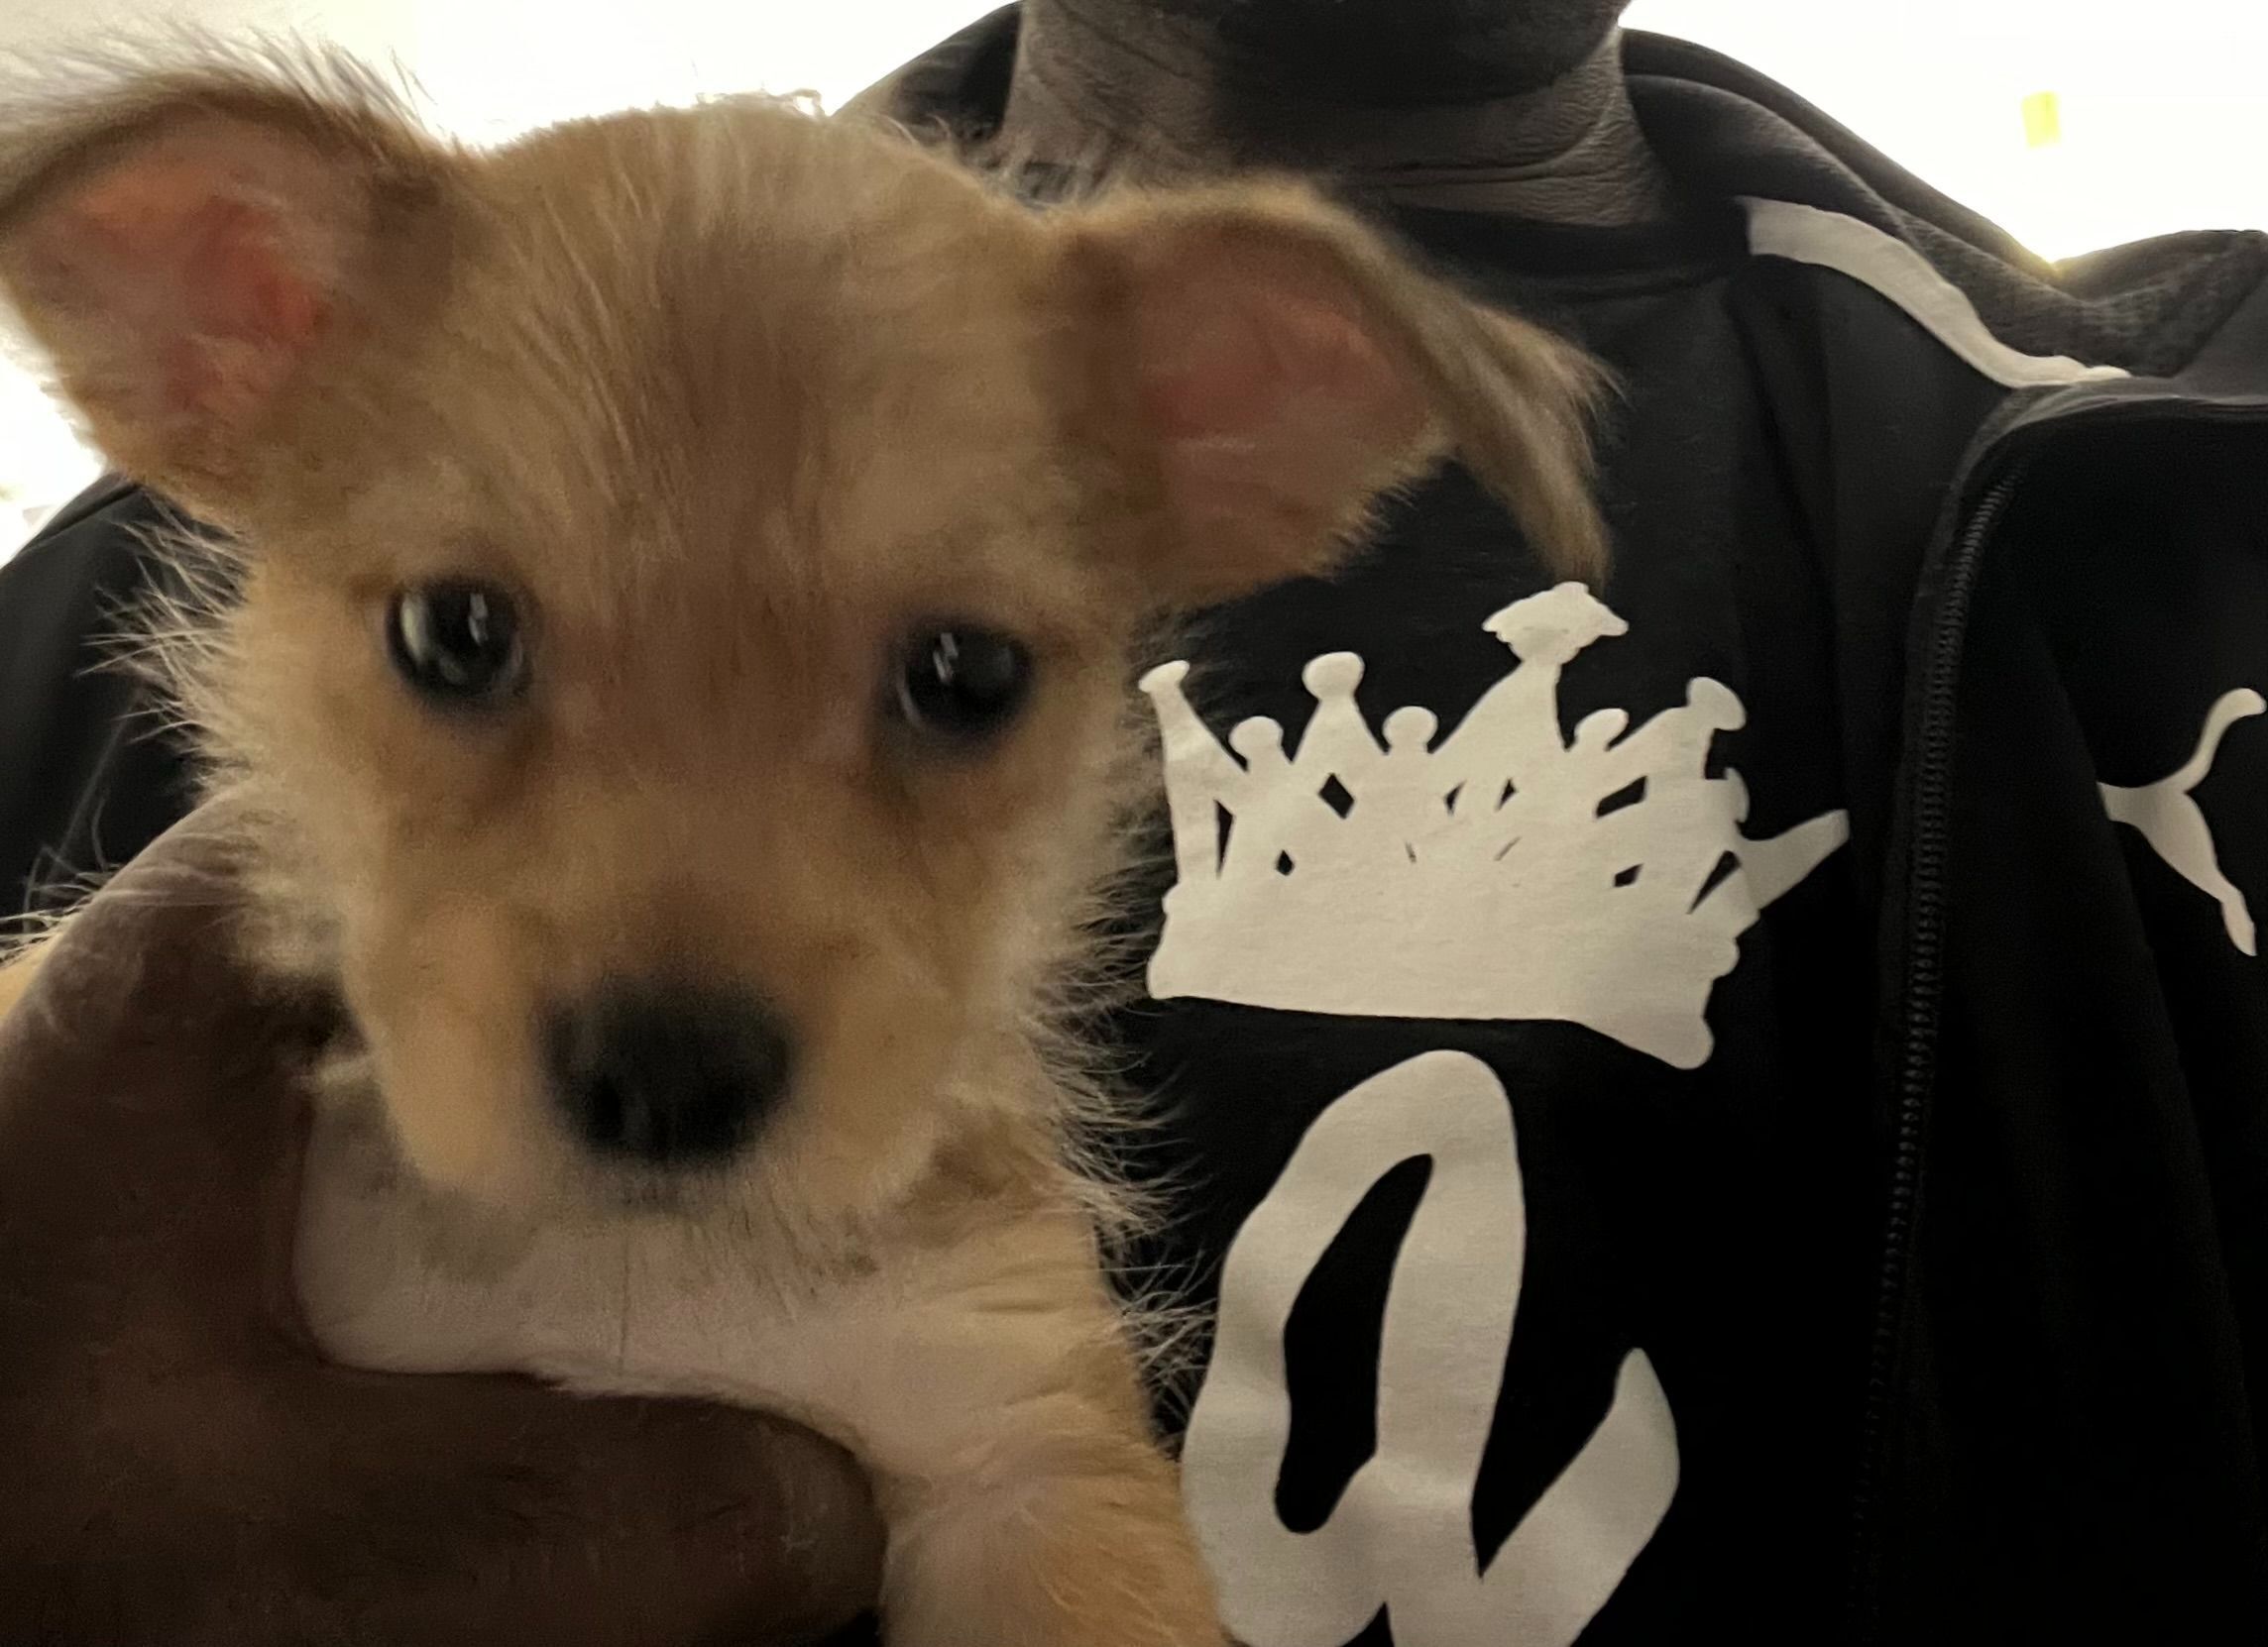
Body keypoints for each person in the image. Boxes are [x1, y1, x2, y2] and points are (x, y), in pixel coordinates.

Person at [5, 2, 2267, 1642]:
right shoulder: (114, 609)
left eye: (951, 681)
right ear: (215, 324)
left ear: (1254, 432)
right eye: (467, 641)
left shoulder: (2186, 499)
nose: (672, 946)